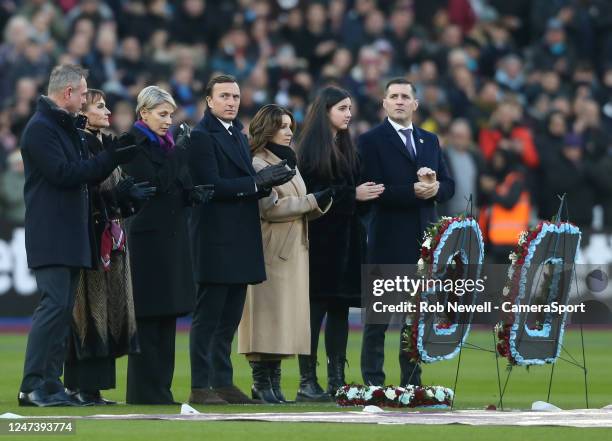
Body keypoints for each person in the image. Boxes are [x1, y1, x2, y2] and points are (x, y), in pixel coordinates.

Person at [18, 64, 137, 407]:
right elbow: (64, 174)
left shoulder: (61, 128)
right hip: (52, 234)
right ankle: (31, 386)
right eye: (84, 93)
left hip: (70, 233)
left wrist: (110, 156)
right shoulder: (41, 129)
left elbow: (81, 172)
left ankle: (51, 382)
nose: (86, 99)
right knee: (53, 306)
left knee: (63, 309)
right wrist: (109, 159)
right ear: (68, 93)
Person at [188, 75, 295, 405]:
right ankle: (200, 386)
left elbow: (240, 181)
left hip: (239, 237)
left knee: (229, 317)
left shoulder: (237, 134)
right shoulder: (201, 136)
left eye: (235, 96)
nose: (232, 101)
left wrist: (263, 182)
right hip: (216, 238)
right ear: (209, 101)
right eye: (224, 96)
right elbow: (211, 186)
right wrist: (258, 182)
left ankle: (222, 382)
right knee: (209, 318)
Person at [358, 78, 455, 387]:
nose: (399, 101)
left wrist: (437, 188)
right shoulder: (370, 140)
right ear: (384, 103)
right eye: (393, 96)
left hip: (424, 244)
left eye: (405, 96)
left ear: (415, 104)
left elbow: (449, 185)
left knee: (414, 321)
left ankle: (411, 383)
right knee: (379, 319)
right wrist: (412, 191)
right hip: (387, 239)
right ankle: (373, 384)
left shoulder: (430, 140)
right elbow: (371, 190)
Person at [121, 85, 213, 404]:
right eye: (162, 114)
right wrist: (181, 152)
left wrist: (192, 195)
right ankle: (143, 391)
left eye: (170, 115)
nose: (168, 120)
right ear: (143, 113)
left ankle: (161, 389)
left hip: (171, 239)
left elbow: (175, 185)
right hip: (147, 242)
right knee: (149, 318)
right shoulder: (131, 144)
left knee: (168, 316)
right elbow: (155, 185)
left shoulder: (168, 145)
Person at [63, 89, 155, 405]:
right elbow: (87, 186)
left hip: (111, 237)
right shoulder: (78, 143)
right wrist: (117, 195)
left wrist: (129, 201)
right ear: (83, 113)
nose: (107, 112)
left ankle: (94, 388)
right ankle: (78, 386)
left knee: (108, 311)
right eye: (100, 106)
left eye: (106, 106)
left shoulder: (104, 143)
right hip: (89, 237)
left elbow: (112, 192)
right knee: (87, 310)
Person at [237, 104, 332, 403]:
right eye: (282, 126)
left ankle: (273, 384)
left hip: (291, 250)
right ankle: (261, 383)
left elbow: (295, 205)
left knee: (282, 321)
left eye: (291, 125)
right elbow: (270, 208)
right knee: (266, 319)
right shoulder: (258, 163)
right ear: (267, 129)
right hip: (271, 249)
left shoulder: (288, 162)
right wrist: (310, 201)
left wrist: (319, 203)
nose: (289, 131)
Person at [297, 86, 383, 401]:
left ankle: (337, 379)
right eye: (342, 108)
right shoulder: (308, 149)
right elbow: (313, 196)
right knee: (314, 314)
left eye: (349, 108)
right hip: (320, 245)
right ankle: (307, 380)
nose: (348, 114)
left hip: (348, 244)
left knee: (340, 314)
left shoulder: (347, 147)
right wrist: (353, 195)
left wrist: (364, 197)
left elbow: (353, 195)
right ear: (326, 111)